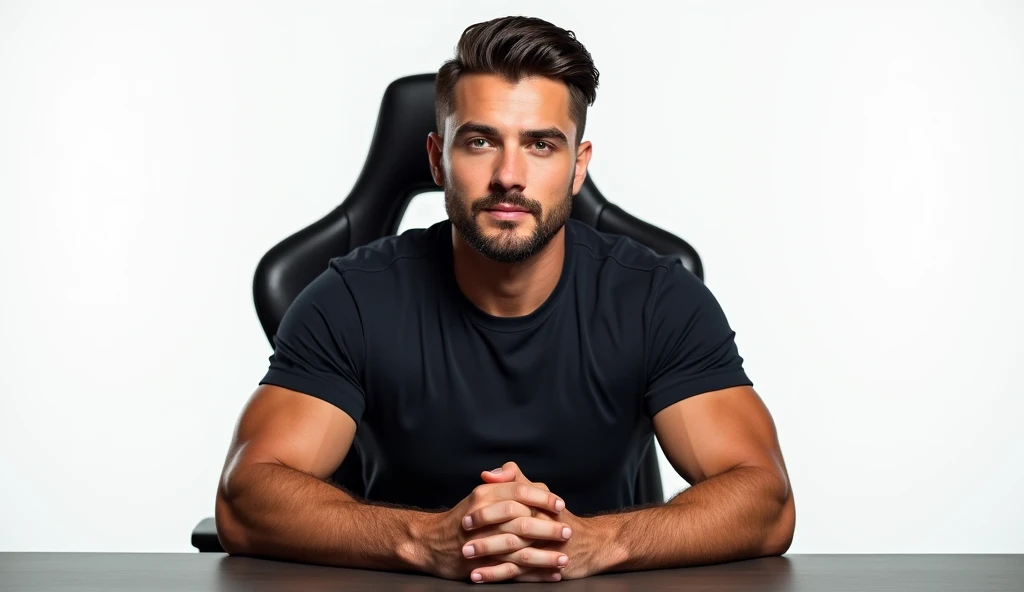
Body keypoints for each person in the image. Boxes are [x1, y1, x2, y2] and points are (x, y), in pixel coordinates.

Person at [214, 15, 795, 584]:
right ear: (438, 159)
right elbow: (246, 497)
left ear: (577, 167)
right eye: (480, 140)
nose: (509, 175)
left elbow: (765, 500)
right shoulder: (353, 297)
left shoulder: (657, 298)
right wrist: (423, 543)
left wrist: (599, 545)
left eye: (541, 144)